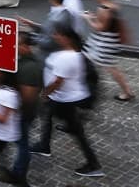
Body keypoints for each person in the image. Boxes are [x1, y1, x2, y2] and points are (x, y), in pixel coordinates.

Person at [32, 24, 103, 177]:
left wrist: (45, 94)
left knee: (77, 132)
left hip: (65, 100)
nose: (55, 36)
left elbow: (58, 81)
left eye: (58, 34)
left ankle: (93, 164)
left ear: (67, 38)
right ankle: (44, 146)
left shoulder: (66, 57)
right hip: (62, 98)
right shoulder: (72, 53)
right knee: (49, 117)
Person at [3, 32, 43, 187]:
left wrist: (14, 112)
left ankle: (19, 175)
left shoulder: (31, 68)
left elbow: (28, 97)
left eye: (17, 44)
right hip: (21, 112)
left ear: (26, 46)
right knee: (20, 142)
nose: (14, 47)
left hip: (23, 113)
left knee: (22, 144)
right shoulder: (23, 61)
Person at [83, 0, 134, 102]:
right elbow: (106, 22)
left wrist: (88, 19)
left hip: (104, 41)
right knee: (95, 62)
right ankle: (127, 92)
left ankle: (127, 92)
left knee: (110, 67)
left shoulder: (103, 9)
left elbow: (100, 27)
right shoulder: (112, 5)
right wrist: (93, 17)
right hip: (109, 40)